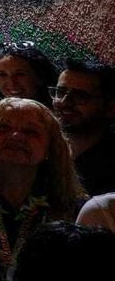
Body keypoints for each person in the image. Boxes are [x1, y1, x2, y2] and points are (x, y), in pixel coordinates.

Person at [0, 98, 85, 281]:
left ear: (51, 147)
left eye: (31, 132)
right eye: (3, 128)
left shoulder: (71, 205)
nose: (16, 136)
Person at [51, 59, 115, 195]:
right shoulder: (41, 148)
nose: (65, 102)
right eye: (60, 92)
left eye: (80, 96)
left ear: (110, 108)